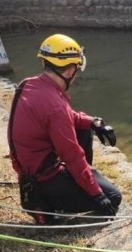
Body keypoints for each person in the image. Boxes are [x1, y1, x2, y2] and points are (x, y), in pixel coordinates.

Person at [7, 33, 121, 224]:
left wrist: (93, 122)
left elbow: (66, 117)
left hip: (31, 169)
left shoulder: (29, 84)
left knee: (84, 128)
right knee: (114, 197)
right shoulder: (55, 106)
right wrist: (96, 194)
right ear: (69, 71)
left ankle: (75, 183)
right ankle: (47, 205)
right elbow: (72, 155)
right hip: (43, 178)